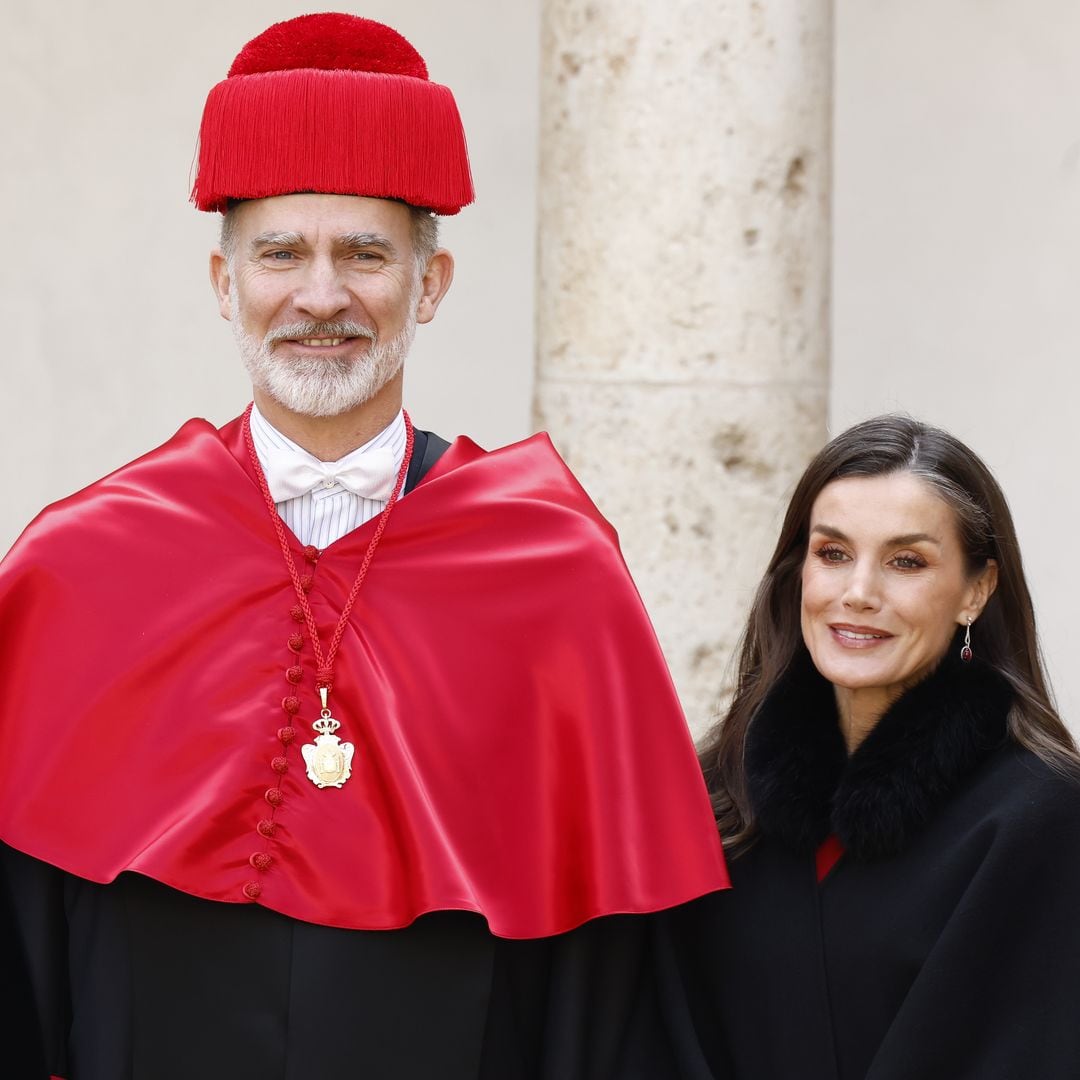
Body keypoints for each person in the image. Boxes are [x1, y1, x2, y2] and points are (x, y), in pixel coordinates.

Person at [0, 13, 729, 1079]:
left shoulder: (554, 572)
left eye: (366, 254)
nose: (322, 295)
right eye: (282, 252)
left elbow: (610, 978)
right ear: (224, 284)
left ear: (428, 287)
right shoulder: (81, 564)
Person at [656, 414, 1080, 1079]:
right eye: (833, 553)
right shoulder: (718, 796)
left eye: (906, 562)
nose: (858, 594)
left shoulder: (1039, 819)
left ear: (976, 589)